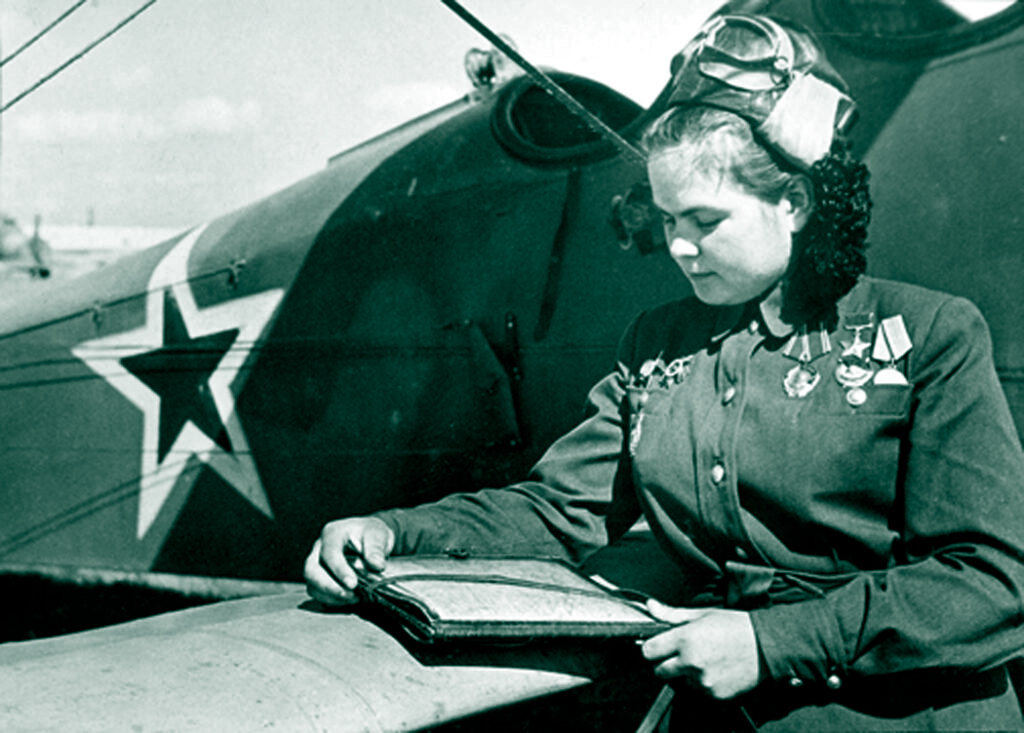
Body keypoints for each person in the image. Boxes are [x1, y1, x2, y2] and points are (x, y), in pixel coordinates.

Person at [305, 13, 1024, 731]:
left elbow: (995, 580)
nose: (679, 247)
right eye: (669, 219)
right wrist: (396, 531)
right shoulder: (655, 345)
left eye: (705, 221)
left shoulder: (930, 334)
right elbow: (561, 508)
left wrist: (770, 643)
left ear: (794, 203)